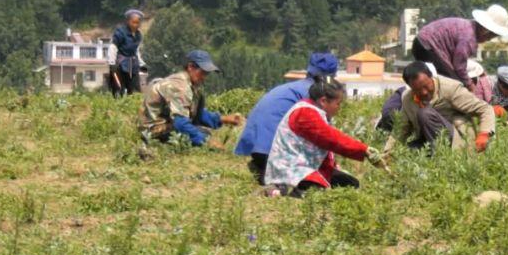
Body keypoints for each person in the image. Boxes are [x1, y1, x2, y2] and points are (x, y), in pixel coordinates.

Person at [264, 79, 386, 198]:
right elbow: (331, 139)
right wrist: (364, 150)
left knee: (351, 184)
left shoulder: (314, 111)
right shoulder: (305, 113)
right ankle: (280, 190)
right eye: (337, 104)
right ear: (323, 101)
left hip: (307, 164)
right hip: (291, 167)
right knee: (317, 192)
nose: (339, 108)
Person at [235, 53, 339, 183]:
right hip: (271, 151)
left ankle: (265, 170)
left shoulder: (293, 87)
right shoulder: (315, 94)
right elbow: (322, 134)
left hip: (256, 148)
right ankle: (276, 179)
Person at [138, 50, 243, 147]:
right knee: (201, 134)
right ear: (190, 67)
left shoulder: (191, 84)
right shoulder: (180, 87)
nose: (204, 77)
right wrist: (207, 141)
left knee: (201, 132)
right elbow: (180, 123)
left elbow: (196, 114)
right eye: (202, 72)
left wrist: (224, 119)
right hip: (153, 130)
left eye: (206, 74)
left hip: (167, 123)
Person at [386, 61, 496, 153]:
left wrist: (484, 134)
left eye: (426, 86)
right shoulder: (408, 98)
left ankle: (440, 157)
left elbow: (485, 109)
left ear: (431, 77)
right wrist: (387, 152)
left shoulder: (450, 88)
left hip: (456, 140)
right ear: (410, 87)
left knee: (424, 113)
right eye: (418, 90)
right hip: (426, 141)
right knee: (403, 155)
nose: (424, 92)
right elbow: (401, 129)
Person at [411, 4, 508, 90]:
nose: (489, 39)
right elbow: (459, 66)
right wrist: (469, 84)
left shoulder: (467, 26)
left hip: (422, 43)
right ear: (485, 30)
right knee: (454, 84)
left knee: (447, 81)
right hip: (427, 46)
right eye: (490, 36)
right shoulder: (469, 37)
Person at [108, 9, 146, 97]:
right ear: (128, 21)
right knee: (119, 87)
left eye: (137, 23)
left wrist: (142, 64)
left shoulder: (138, 35)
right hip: (121, 64)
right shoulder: (121, 32)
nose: (135, 25)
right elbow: (113, 47)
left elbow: (136, 50)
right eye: (133, 22)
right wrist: (112, 63)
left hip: (133, 64)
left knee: (134, 88)